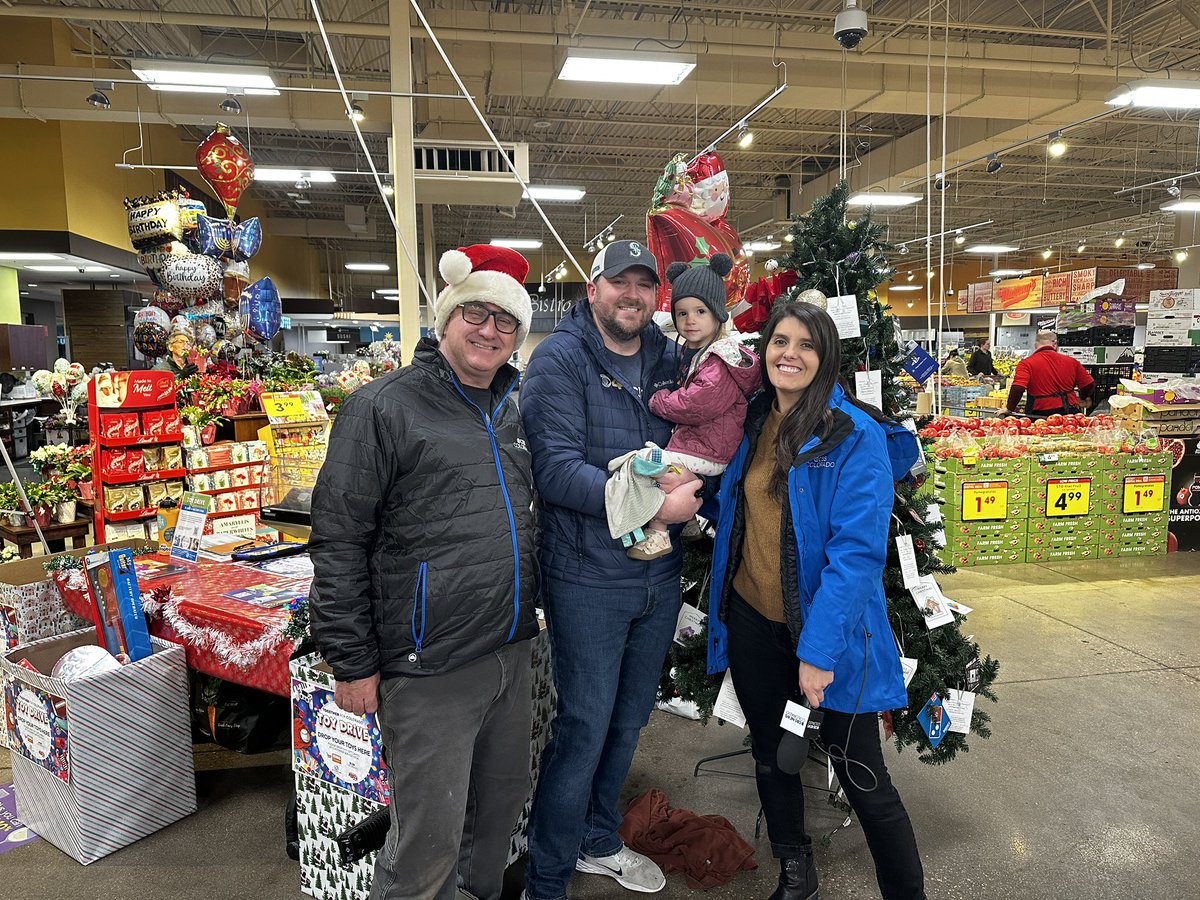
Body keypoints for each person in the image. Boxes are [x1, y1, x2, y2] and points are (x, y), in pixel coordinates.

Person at [308, 244, 540, 900]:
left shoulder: (511, 410)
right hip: (429, 666)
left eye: (506, 322)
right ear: (446, 318)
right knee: (427, 842)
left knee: (495, 819)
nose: (490, 331)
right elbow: (339, 541)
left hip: (509, 651)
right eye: (477, 313)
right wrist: (351, 662)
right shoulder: (381, 409)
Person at [705, 300, 926, 900]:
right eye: (780, 341)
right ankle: (796, 871)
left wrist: (819, 652)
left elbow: (855, 559)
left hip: (834, 639)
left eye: (806, 344)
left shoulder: (853, 436)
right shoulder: (751, 423)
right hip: (753, 623)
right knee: (773, 758)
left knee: (865, 780)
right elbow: (734, 510)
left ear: (826, 358)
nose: (790, 354)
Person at [520, 240, 702, 899]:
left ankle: (598, 839)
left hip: (657, 578)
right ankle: (546, 876)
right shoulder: (559, 361)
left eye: (642, 285)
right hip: (587, 578)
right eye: (618, 282)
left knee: (628, 720)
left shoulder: (666, 355)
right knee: (585, 723)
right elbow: (558, 471)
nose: (631, 294)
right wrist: (660, 502)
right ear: (592, 289)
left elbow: (709, 412)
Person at [605, 253, 761, 561]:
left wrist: (657, 400)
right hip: (706, 444)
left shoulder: (721, 359)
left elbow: (695, 404)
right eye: (682, 313)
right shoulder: (696, 354)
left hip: (708, 448)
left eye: (700, 311)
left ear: (718, 315)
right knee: (660, 468)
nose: (690, 320)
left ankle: (657, 529)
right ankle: (686, 521)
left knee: (646, 462)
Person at [1005, 330, 1095, 418]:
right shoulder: (1072, 361)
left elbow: (1018, 387)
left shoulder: (1026, 363)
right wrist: (1083, 397)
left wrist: (1009, 408)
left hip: (1040, 415)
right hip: (1069, 413)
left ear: (1036, 345)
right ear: (1054, 344)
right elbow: (1089, 384)